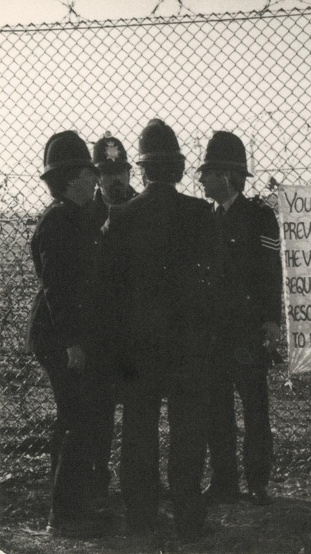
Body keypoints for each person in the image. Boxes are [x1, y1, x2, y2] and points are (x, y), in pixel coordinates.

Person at [98, 119, 215, 541]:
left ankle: (141, 517)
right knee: (188, 429)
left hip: (137, 344)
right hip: (189, 342)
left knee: (138, 430)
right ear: (180, 170)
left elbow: (107, 291)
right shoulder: (202, 215)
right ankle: (188, 516)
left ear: (142, 170)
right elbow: (215, 282)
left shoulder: (120, 217)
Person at [197, 131, 282, 506]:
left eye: (208, 173)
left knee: (255, 411)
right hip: (214, 333)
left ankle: (258, 482)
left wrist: (271, 321)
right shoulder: (204, 217)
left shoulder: (259, 218)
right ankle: (224, 482)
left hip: (247, 331)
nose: (201, 179)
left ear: (228, 176)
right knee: (217, 411)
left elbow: (269, 273)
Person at [26, 130, 103, 538]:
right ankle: (65, 517)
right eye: (90, 172)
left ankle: (69, 507)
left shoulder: (76, 214)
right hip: (59, 336)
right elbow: (57, 286)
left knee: (71, 419)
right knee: (78, 419)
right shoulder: (59, 221)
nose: (95, 179)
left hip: (64, 332)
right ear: (72, 177)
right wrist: (73, 341)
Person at [85, 132, 136, 503]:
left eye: (121, 172)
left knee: (138, 411)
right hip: (101, 330)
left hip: (135, 329)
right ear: (96, 176)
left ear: (131, 173)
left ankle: (138, 482)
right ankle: (97, 483)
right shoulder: (85, 214)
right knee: (99, 413)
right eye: (107, 172)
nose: (116, 179)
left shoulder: (143, 207)